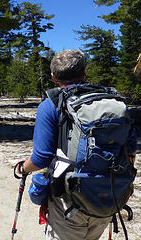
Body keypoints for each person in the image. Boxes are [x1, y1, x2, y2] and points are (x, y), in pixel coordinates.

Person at [17, 49, 137, 240]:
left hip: (69, 201)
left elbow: (41, 157)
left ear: (54, 78)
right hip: (107, 198)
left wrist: (22, 168)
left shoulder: (50, 106)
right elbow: (131, 152)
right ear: (84, 72)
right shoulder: (112, 102)